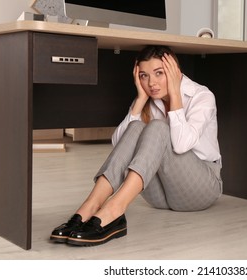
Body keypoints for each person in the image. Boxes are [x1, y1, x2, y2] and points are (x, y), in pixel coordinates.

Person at [50, 45, 223, 246]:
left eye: (159, 73)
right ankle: (90, 206)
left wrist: (175, 94)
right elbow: (119, 144)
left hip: (201, 189)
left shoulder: (202, 96)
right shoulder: (150, 98)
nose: (152, 83)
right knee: (136, 127)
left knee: (158, 127)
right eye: (144, 76)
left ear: (175, 71)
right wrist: (140, 100)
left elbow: (182, 144)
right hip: (161, 197)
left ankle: (114, 209)